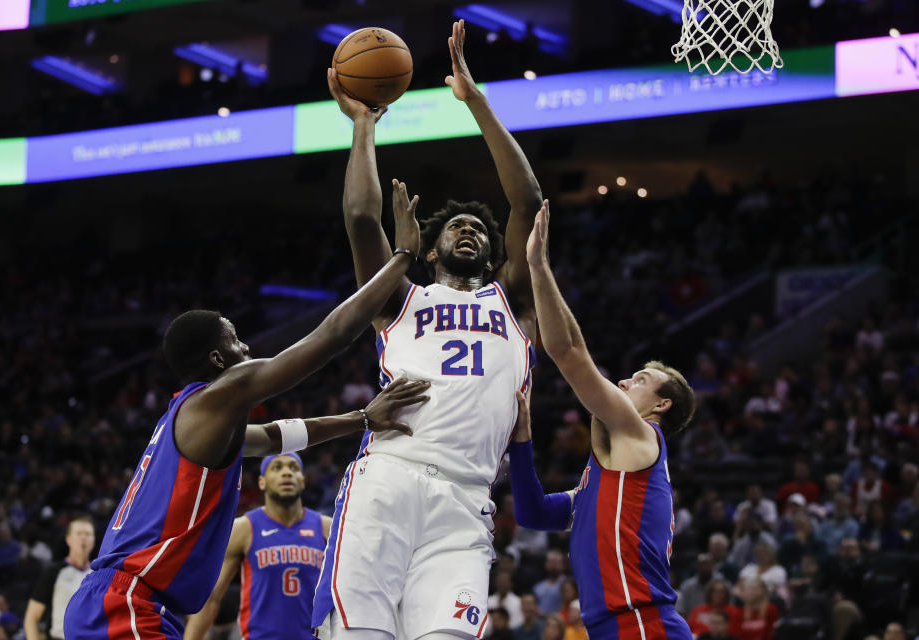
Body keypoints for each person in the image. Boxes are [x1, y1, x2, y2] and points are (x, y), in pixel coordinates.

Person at [63, 185, 429, 640]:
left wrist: (360, 420)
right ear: (218, 361)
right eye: (235, 339)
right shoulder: (217, 395)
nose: (247, 347)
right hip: (129, 602)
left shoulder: (198, 423)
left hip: (124, 601)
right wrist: (402, 258)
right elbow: (331, 335)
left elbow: (276, 437)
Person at [315, 18, 541, 640]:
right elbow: (363, 218)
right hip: (391, 477)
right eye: (455, 226)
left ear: (494, 255)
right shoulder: (399, 295)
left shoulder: (513, 299)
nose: (468, 227)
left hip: (468, 501)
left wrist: (477, 103)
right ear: (432, 251)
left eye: (479, 228)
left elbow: (526, 200)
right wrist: (364, 127)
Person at [508, 201, 696, 639]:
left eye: (643, 379)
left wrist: (539, 267)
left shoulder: (642, 436)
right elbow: (533, 513)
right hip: (613, 628)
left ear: (661, 405)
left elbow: (569, 354)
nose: (628, 379)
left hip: (643, 625)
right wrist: (523, 441)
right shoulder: (606, 482)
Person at [184, 454, 330, 640]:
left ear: (302, 480)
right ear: (262, 482)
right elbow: (211, 598)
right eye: (277, 468)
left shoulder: (328, 529)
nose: (287, 473)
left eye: (293, 468)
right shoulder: (244, 529)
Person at [24, 516, 95, 640]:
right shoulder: (53, 572)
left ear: (93, 540)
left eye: (88, 534)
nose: (83, 538)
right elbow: (31, 618)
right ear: (68, 539)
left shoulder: (98, 574)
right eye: (79, 533)